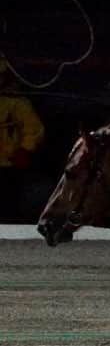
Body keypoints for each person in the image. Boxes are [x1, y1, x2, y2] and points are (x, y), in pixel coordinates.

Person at [0, 58, 45, 223]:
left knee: (8, 204)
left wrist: (24, 150)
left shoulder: (17, 102)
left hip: (9, 164)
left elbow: (34, 130)